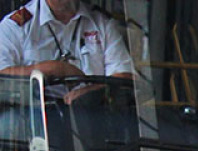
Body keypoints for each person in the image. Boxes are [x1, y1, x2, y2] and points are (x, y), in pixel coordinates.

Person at [0, 0, 134, 104]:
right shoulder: (15, 27)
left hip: (93, 117)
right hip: (34, 122)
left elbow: (124, 76)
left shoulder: (102, 23)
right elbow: (3, 77)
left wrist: (91, 92)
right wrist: (51, 69)